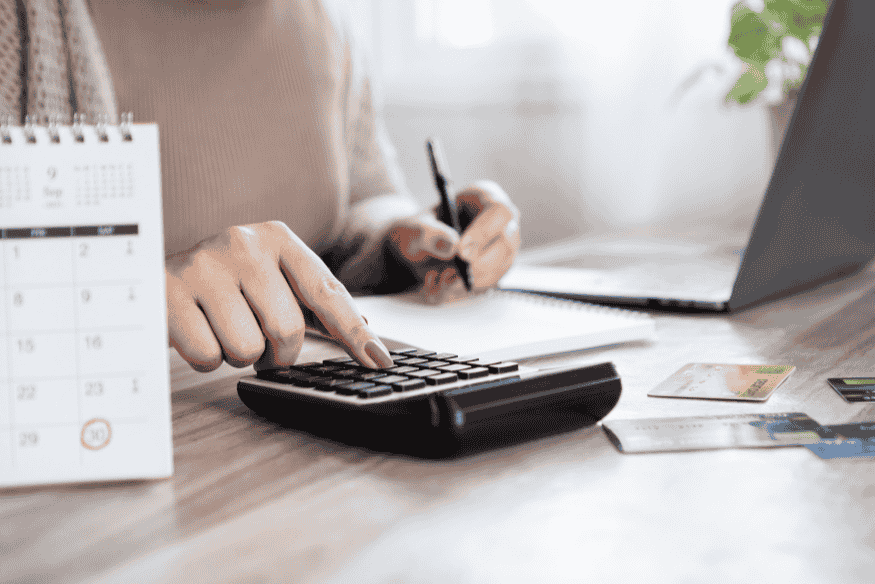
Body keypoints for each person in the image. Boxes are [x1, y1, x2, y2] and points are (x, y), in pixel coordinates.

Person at [0, 0, 521, 372]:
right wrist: (130, 290)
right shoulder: (26, 24)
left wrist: (404, 236)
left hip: (293, 441)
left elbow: (360, 198)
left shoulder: (327, 22)